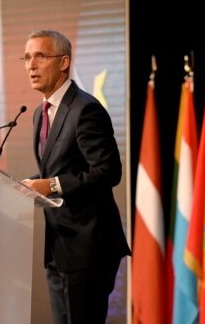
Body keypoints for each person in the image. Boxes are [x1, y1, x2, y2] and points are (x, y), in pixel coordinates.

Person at [21, 30, 131, 323]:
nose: (31, 65)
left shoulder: (85, 109)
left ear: (64, 62)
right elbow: (56, 168)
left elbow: (108, 171)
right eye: (27, 57)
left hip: (88, 246)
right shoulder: (38, 113)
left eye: (40, 56)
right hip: (59, 246)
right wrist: (27, 185)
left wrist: (53, 185)